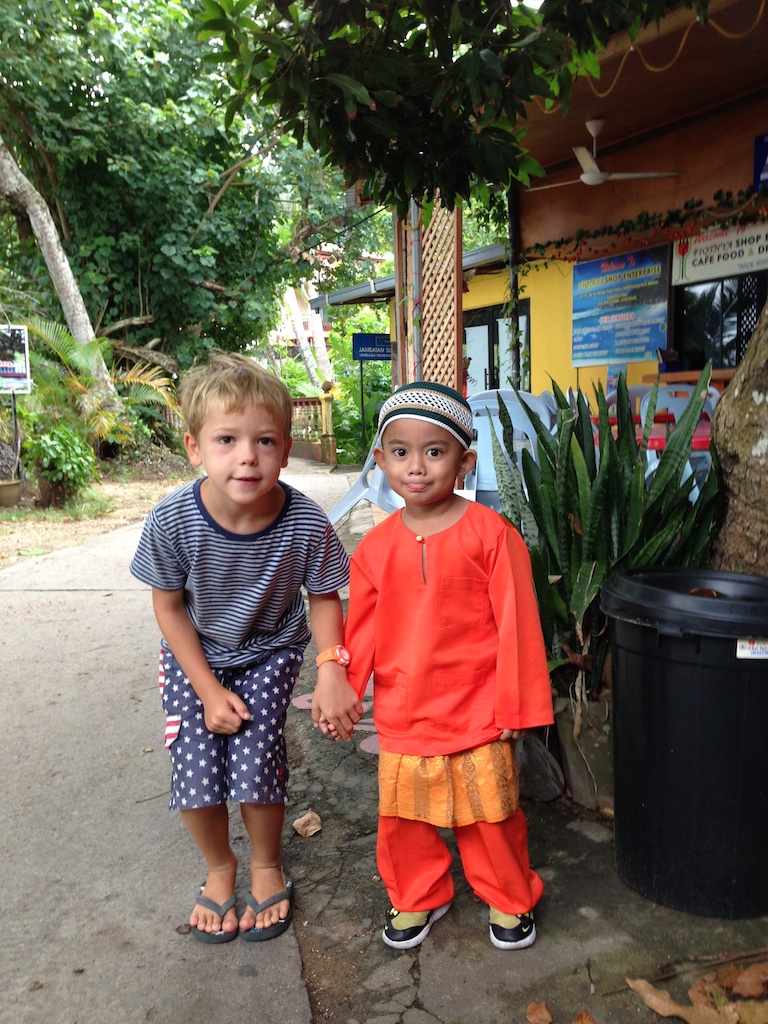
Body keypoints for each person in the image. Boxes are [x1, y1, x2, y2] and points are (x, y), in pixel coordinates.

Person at [131, 352, 361, 943]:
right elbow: (168, 607)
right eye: (227, 439)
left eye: (264, 441)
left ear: (285, 449)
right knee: (196, 766)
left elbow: (325, 595)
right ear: (194, 448)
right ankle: (219, 867)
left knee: (258, 758)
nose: (246, 456)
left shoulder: (306, 523)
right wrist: (206, 688)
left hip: (270, 651)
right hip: (195, 655)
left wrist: (332, 669)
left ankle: (263, 863)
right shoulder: (171, 521)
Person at [316, 381, 553, 952]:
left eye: (434, 451)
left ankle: (507, 896)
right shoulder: (374, 550)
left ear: (465, 461)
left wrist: (516, 706)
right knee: (405, 820)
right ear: (380, 461)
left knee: (490, 815)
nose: (415, 467)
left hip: (478, 707)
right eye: (399, 452)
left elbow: (518, 624)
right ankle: (418, 896)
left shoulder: (492, 536)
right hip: (404, 711)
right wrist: (345, 691)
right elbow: (363, 632)